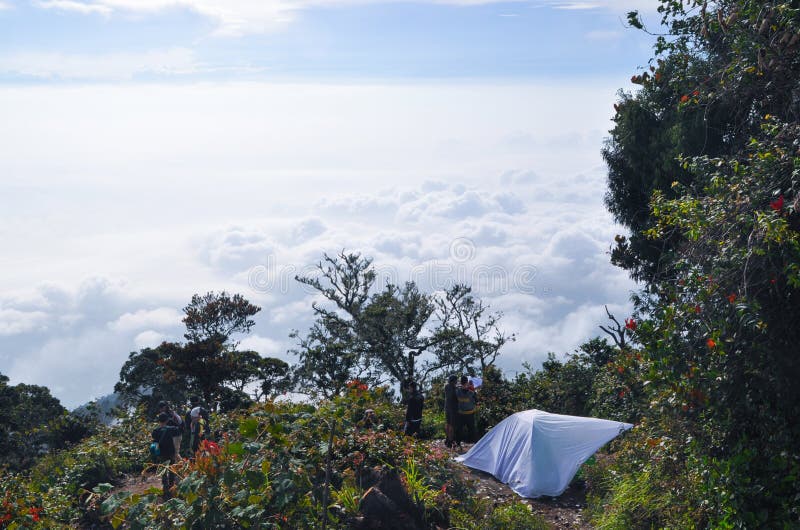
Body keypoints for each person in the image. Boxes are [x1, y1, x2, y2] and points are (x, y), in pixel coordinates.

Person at [152, 412, 182, 497]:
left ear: (159, 421)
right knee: (172, 469)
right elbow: (179, 430)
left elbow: (154, 440)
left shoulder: (155, 431)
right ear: (167, 420)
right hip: (171, 452)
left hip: (161, 453)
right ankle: (171, 486)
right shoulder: (171, 429)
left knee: (163, 470)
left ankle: (165, 487)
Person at [455, 375, 478, 445]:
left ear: (461, 382)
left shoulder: (457, 391)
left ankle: (458, 443)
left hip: (461, 414)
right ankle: (473, 444)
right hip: (470, 414)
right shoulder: (471, 392)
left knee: (459, 429)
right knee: (471, 430)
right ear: (467, 382)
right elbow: (476, 401)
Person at [443, 375, 459, 448]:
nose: (457, 381)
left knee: (448, 424)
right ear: (454, 381)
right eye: (456, 380)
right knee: (452, 425)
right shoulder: (454, 388)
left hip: (447, 408)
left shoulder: (446, 386)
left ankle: (447, 439)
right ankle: (450, 441)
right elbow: (456, 396)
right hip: (453, 409)